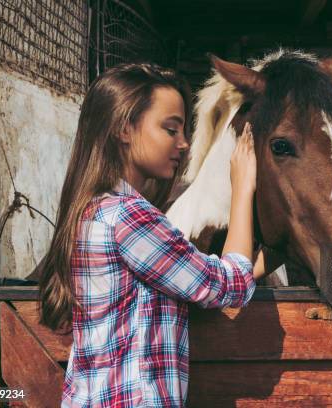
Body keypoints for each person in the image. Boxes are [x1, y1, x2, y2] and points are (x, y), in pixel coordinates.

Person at [38, 62, 262, 407]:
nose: (184, 143)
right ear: (124, 130)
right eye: (170, 130)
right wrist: (243, 188)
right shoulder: (130, 217)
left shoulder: (95, 210)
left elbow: (192, 281)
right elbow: (227, 286)